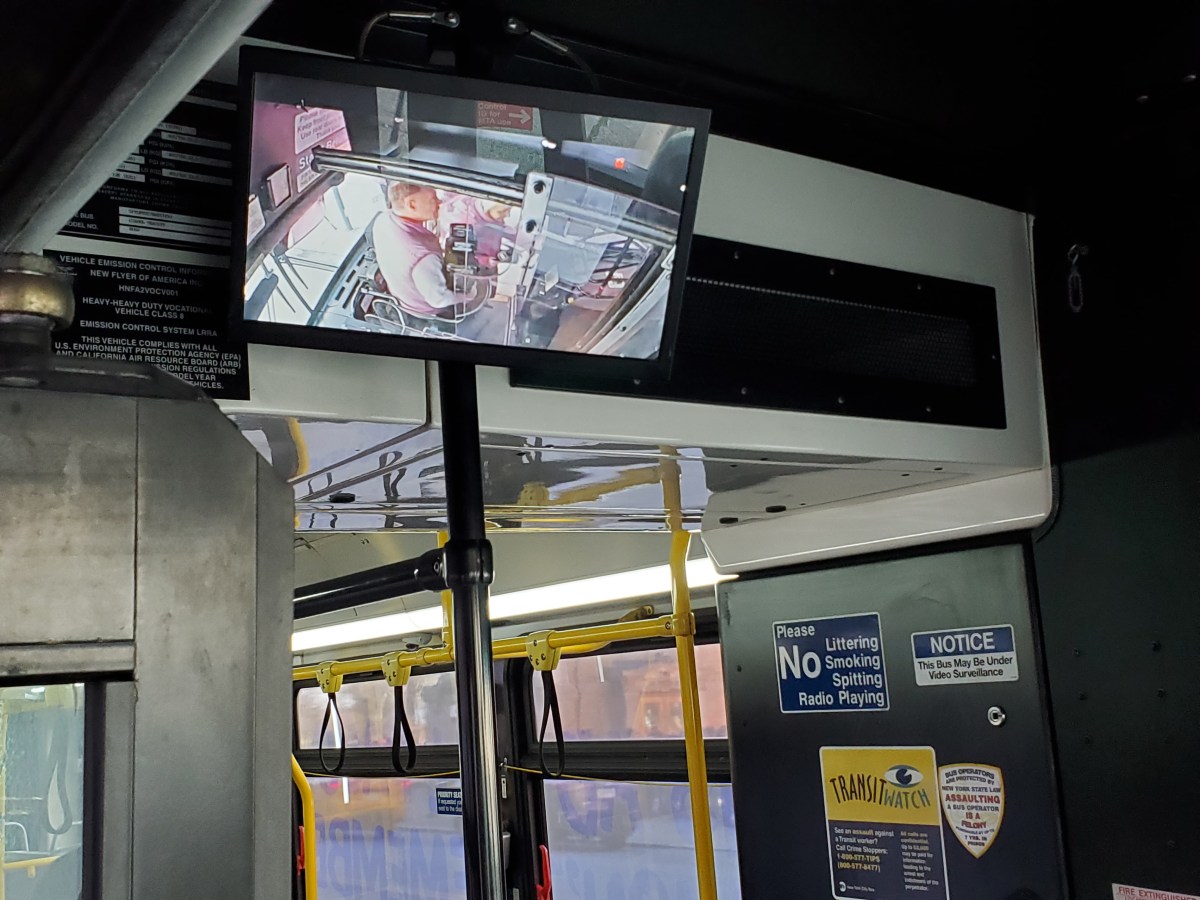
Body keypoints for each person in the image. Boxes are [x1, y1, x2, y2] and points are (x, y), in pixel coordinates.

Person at [369, 182, 461, 317]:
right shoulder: (423, 256)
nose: (439, 201)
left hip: (403, 297)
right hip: (428, 315)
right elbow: (440, 300)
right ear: (412, 205)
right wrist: (469, 297)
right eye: (433, 198)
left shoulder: (383, 219)